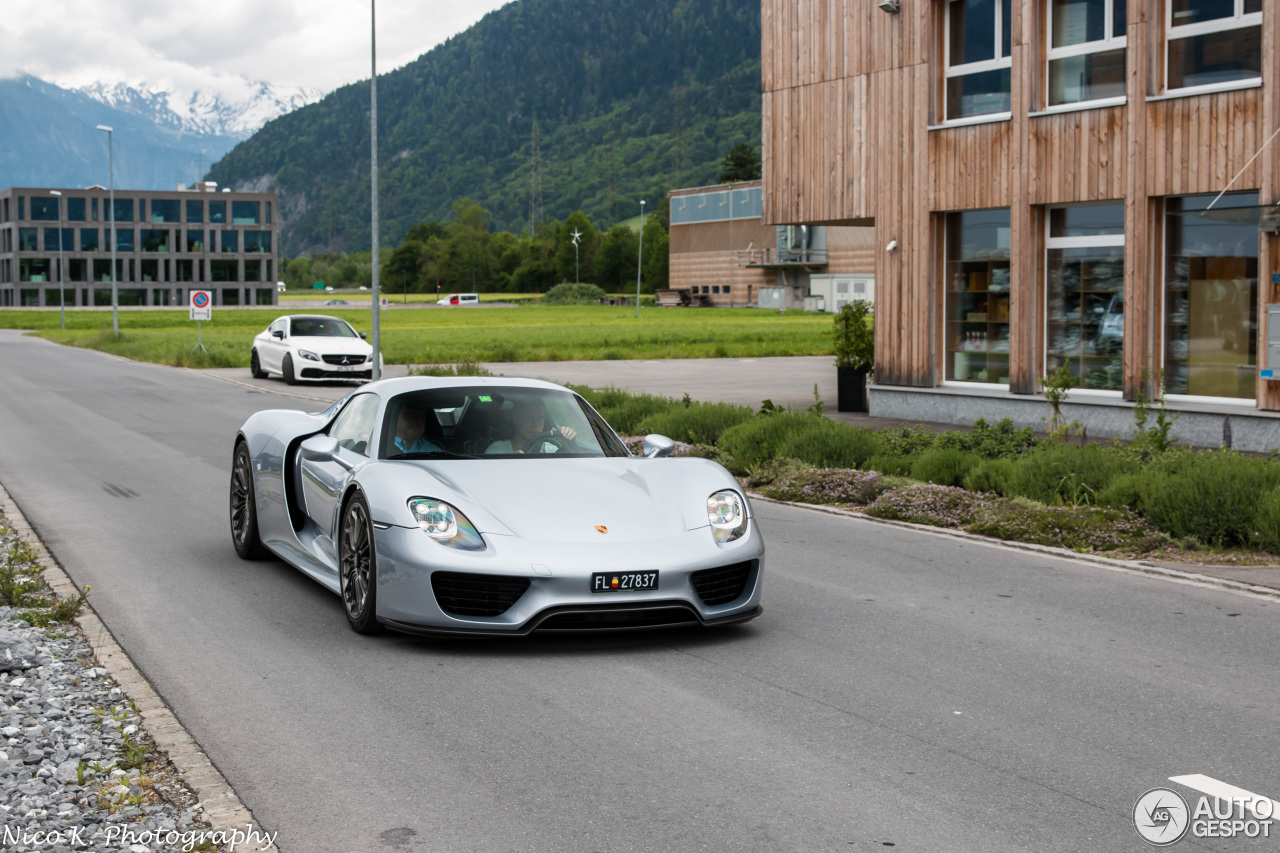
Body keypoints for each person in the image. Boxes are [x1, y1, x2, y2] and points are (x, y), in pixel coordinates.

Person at [485, 398, 577, 454]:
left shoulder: (551, 449)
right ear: (516, 420)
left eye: (540, 418)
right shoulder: (497, 451)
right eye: (529, 418)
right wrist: (511, 464)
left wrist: (567, 443)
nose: (535, 424)